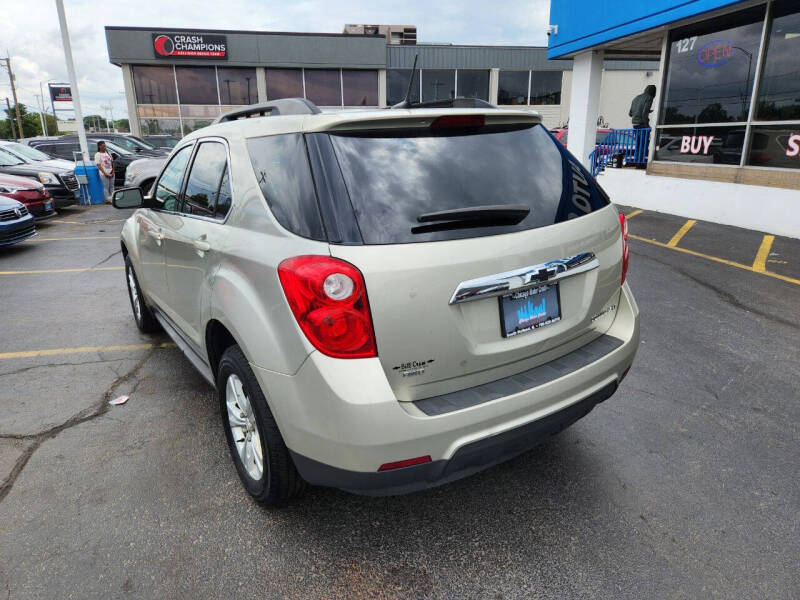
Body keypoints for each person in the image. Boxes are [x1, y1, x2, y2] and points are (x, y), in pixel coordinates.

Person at [629, 85, 656, 168]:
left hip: (635, 124)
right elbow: (644, 113)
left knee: (638, 144)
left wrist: (645, 111)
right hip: (642, 124)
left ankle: (637, 162)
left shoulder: (636, 97)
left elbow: (630, 113)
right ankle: (640, 163)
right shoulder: (649, 98)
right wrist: (647, 126)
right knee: (643, 144)